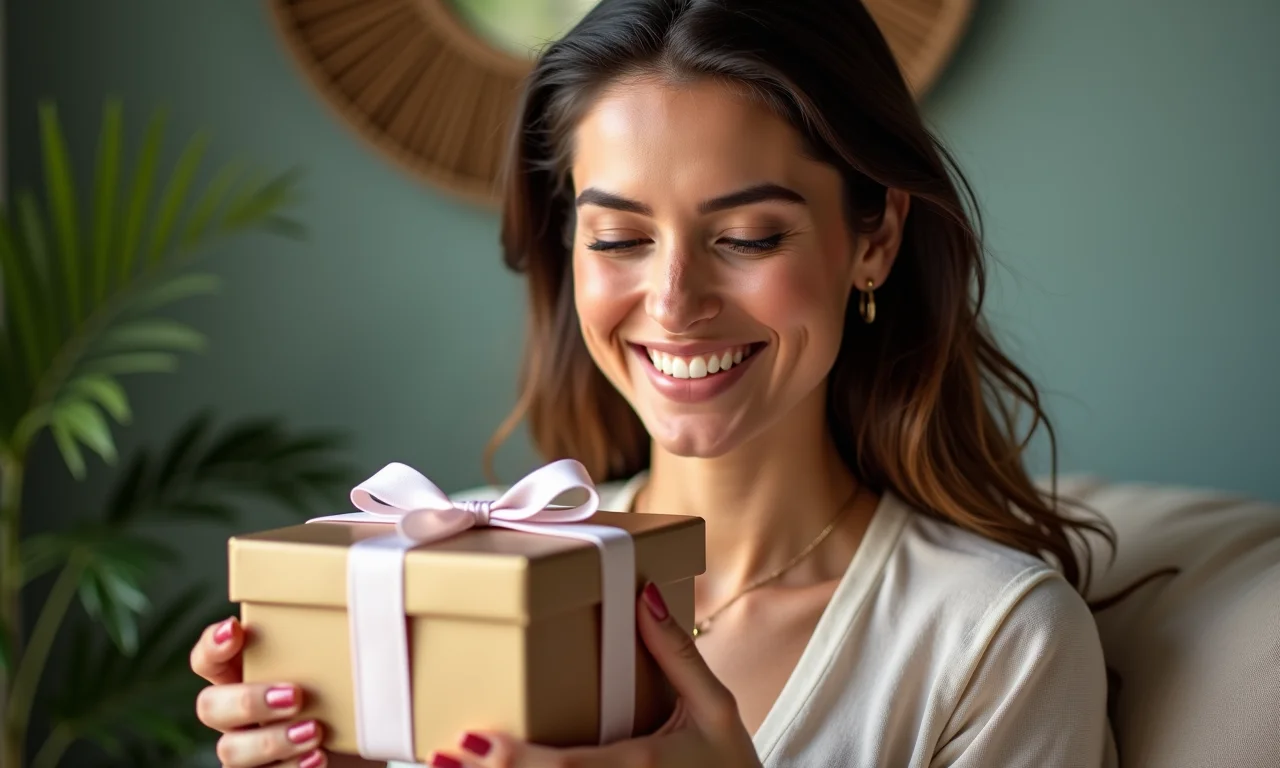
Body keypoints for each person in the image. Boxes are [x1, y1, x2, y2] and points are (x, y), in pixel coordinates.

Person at [190, 0, 1120, 765]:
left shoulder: (993, 642)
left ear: (873, 238)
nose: (674, 302)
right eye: (619, 238)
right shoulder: (437, 569)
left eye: (748, 237)